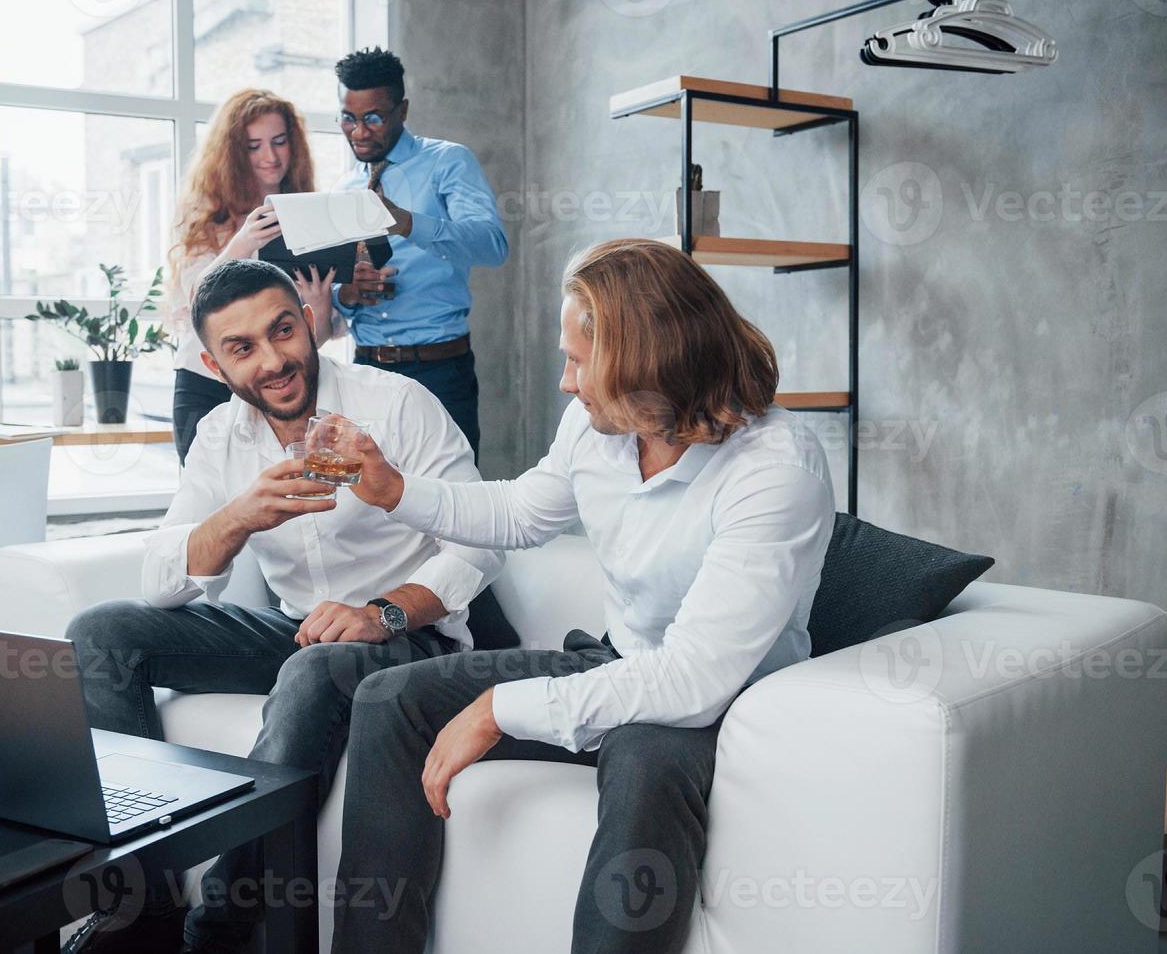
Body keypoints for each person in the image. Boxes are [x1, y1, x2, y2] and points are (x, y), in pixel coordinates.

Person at [329, 239, 837, 954]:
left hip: (719, 705)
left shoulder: (776, 469)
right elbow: (519, 514)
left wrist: (502, 708)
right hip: (616, 661)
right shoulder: (604, 424)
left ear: (647, 364)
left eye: (577, 361)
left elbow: (692, 679)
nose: (566, 383)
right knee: (388, 701)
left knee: (643, 764)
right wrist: (395, 493)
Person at [62, 259, 502, 954]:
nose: (274, 360)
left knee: (318, 665)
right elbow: (160, 580)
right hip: (303, 635)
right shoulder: (219, 438)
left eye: (284, 330)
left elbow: (480, 544)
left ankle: (214, 935)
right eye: (244, 348)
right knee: (100, 632)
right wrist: (235, 520)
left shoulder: (398, 404)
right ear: (214, 361)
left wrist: (382, 612)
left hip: (409, 640)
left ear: (308, 319)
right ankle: (135, 910)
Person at [328, 47, 508, 457]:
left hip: (440, 369)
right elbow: (335, 290)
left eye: (373, 117)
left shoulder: (448, 162)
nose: (359, 131)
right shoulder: (341, 190)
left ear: (402, 110)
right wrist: (350, 293)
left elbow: (492, 245)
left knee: (451, 501)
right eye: (348, 118)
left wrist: (407, 222)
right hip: (365, 369)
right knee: (370, 504)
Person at [165, 88, 341, 465]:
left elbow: (312, 342)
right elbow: (199, 299)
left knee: (278, 507)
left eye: (279, 142)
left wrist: (320, 305)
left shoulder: (306, 213)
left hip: (278, 386)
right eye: (254, 146)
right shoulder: (206, 216)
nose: (270, 157)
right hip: (207, 385)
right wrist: (243, 241)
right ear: (232, 153)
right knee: (213, 509)